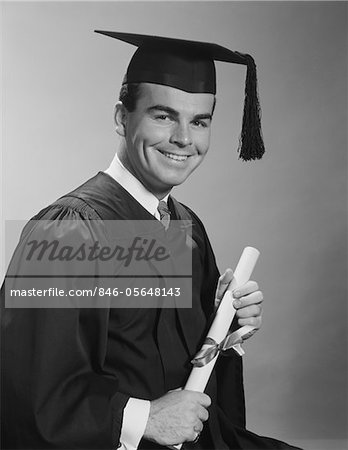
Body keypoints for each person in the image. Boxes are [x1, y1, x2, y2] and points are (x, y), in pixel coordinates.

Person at [0, 31, 302, 450]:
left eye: (200, 121)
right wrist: (145, 419)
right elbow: (27, 394)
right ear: (122, 118)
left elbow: (168, 364)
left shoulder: (185, 227)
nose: (184, 139)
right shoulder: (69, 230)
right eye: (164, 116)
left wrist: (220, 329)